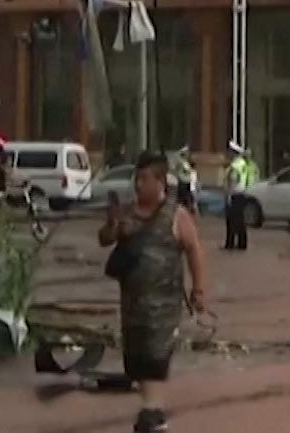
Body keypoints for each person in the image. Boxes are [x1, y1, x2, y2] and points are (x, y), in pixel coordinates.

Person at [99, 152, 209, 433]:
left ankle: (153, 411)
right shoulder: (127, 213)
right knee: (136, 358)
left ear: (160, 181)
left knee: (156, 355)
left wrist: (198, 290)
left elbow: (195, 250)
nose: (139, 185)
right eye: (137, 179)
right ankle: (150, 410)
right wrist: (112, 225)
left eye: (145, 179)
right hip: (132, 304)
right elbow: (105, 240)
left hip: (164, 306)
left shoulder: (177, 215)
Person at [222, 142, 254, 251]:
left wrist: (228, 196)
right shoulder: (243, 163)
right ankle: (242, 243)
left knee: (231, 220)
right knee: (240, 220)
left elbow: (232, 180)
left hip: (235, 194)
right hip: (242, 192)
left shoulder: (235, 165)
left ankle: (230, 243)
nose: (228, 154)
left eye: (229, 152)